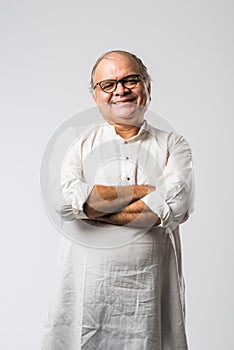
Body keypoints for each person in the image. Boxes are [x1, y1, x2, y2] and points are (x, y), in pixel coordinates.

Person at [42, 50, 194, 350]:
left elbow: (177, 205)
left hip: (149, 299)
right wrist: (144, 192)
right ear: (95, 95)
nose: (120, 90)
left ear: (147, 86)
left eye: (130, 80)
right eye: (107, 84)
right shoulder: (72, 141)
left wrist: (90, 207)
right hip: (85, 301)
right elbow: (64, 201)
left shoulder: (173, 144)